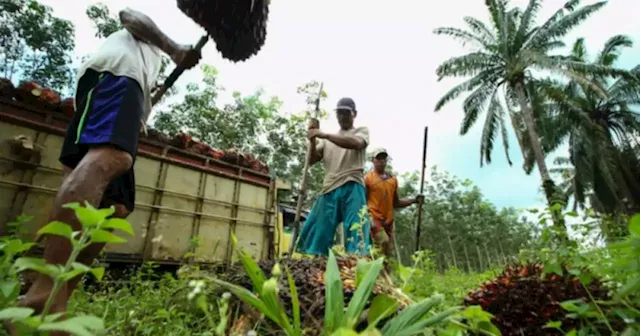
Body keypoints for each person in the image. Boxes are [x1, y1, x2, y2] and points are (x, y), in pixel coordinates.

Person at [8, 7, 201, 331]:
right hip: (115, 81)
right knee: (111, 157)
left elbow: (148, 97)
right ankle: (42, 293)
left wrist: (150, 99)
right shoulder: (138, 41)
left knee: (117, 206)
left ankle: (59, 299)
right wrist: (175, 49)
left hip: (126, 92)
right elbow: (129, 15)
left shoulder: (145, 65)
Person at [295, 97, 371, 256]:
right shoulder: (326, 141)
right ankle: (316, 261)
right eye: (339, 114)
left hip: (352, 184)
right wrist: (313, 138)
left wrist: (323, 135)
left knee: (357, 228)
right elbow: (311, 160)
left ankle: (356, 261)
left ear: (354, 114)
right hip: (330, 187)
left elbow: (356, 143)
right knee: (318, 228)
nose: (342, 117)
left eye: (346, 113)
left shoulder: (360, 131)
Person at [365, 148, 423, 258]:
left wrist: (414, 200)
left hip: (388, 221)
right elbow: (363, 201)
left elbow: (395, 203)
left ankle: (384, 273)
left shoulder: (393, 180)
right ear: (373, 160)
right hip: (374, 218)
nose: (382, 161)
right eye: (379, 158)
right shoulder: (368, 178)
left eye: (384, 158)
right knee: (383, 242)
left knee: (387, 253)